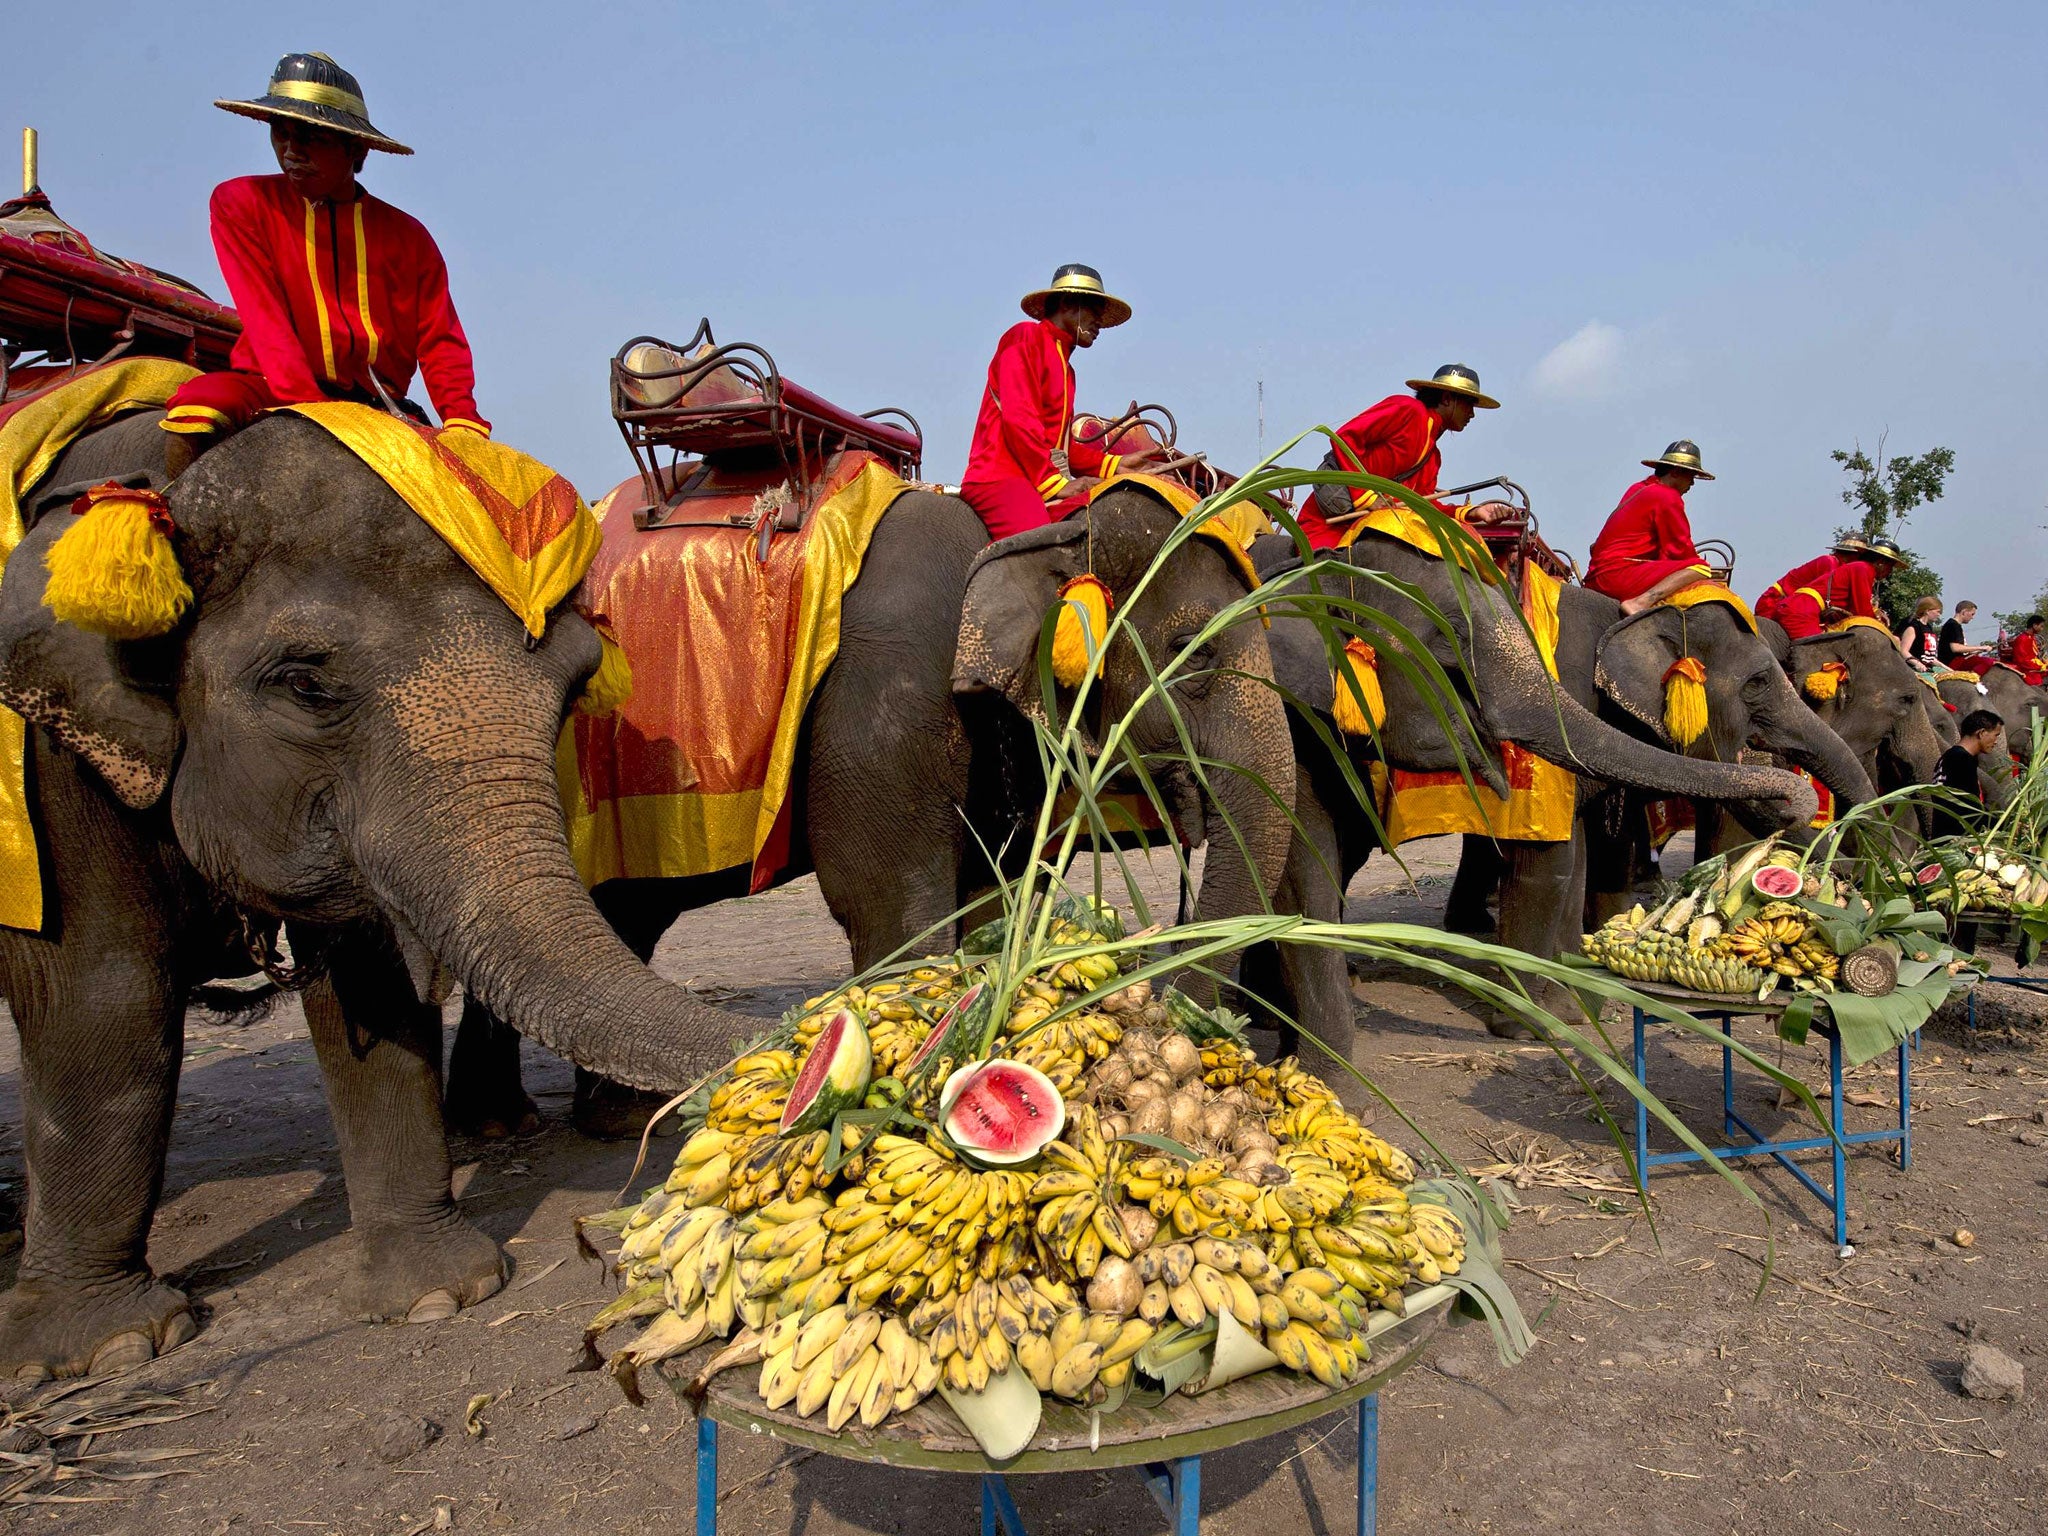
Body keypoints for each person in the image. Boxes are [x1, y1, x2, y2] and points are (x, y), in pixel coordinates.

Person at [160, 52, 487, 476]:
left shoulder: (410, 237)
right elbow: (264, 318)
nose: (291, 151)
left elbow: (440, 340)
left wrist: (462, 421)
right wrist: (311, 410)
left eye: (310, 136)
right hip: (267, 387)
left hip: (378, 404)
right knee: (197, 408)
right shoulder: (241, 202)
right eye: (281, 134)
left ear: (355, 148)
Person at [958, 264, 1154, 542]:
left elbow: (1057, 444)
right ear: (1066, 303)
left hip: (1034, 477)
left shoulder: (1067, 369)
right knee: (1046, 547)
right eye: (1094, 308)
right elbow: (1019, 420)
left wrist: (1114, 465)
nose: (1099, 321)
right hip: (1000, 477)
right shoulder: (1025, 337)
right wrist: (1054, 484)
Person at [1297, 365, 1515, 550]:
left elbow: (1422, 504)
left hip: (1371, 530)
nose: (1472, 414)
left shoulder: (1433, 457)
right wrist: (1367, 497)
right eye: (1469, 404)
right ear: (1448, 399)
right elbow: (1344, 437)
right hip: (1328, 525)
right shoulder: (1408, 410)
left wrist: (1474, 512)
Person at [1584, 440, 1715, 615]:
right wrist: (1691, 564)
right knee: (1700, 567)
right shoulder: (1668, 497)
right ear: (1676, 472)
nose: (1692, 483)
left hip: (1598, 574)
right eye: (1691, 476)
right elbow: (1680, 549)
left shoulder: (1639, 488)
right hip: (1617, 576)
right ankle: (1641, 602)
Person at [1753, 536, 1902, 639]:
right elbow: (1860, 610)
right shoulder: (1837, 564)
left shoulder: (1853, 569)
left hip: (1800, 606)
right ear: (1882, 562)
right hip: (1788, 605)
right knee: (1817, 652)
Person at [1932, 708, 2011, 838]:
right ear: (1982, 733)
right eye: (1996, 735)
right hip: (1955, 841)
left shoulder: (1949, 757)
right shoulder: (1961, 760)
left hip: (1943, 837)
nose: (1996, 741)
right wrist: (2004, 826)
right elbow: (1969, 810)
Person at [1938, 599, 1993, 672]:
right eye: (1972, 614)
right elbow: (1955, 648)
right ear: (1964, 612)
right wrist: (1981, 647)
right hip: (1952, 662)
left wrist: (1975, 651)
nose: (1972, 617)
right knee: (1988, 662)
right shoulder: (1952, 625)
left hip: (1956, 660)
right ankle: (1973, 679)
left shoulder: (1955, 625)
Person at [1896, 595, 1944, 671]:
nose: (1939, 615)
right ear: (1927, 611)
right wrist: (1918, 664)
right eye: (1938, 612)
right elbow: (1903, 651)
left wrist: (1950, 670)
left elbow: (1930, 658)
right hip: (1914, 669)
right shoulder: (1914, 626)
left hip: (1929, 667)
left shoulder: (1929, 627)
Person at [2011, 614, 2046, 686]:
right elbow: (2022, 661)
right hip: (2026, 669)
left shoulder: (2031, 637)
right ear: (2034, 625)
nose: (2042, 629)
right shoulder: (2022, 639)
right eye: (2041, 626)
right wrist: (2039, 666)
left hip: (2033, 666)